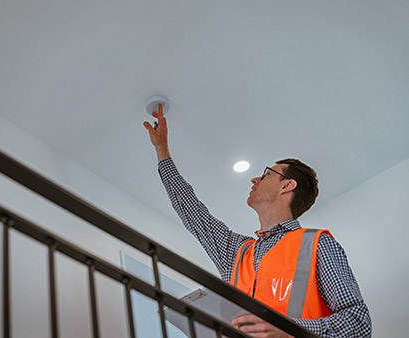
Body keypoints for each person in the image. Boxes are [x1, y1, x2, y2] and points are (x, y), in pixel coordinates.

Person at [143, 111, 371, 338]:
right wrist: (162, 150)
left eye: (266, 174)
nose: (255, 179)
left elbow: (358, 323)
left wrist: (290, 330)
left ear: (287, 186)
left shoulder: (317, 244)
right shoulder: (236, 253)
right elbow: (192, 211)